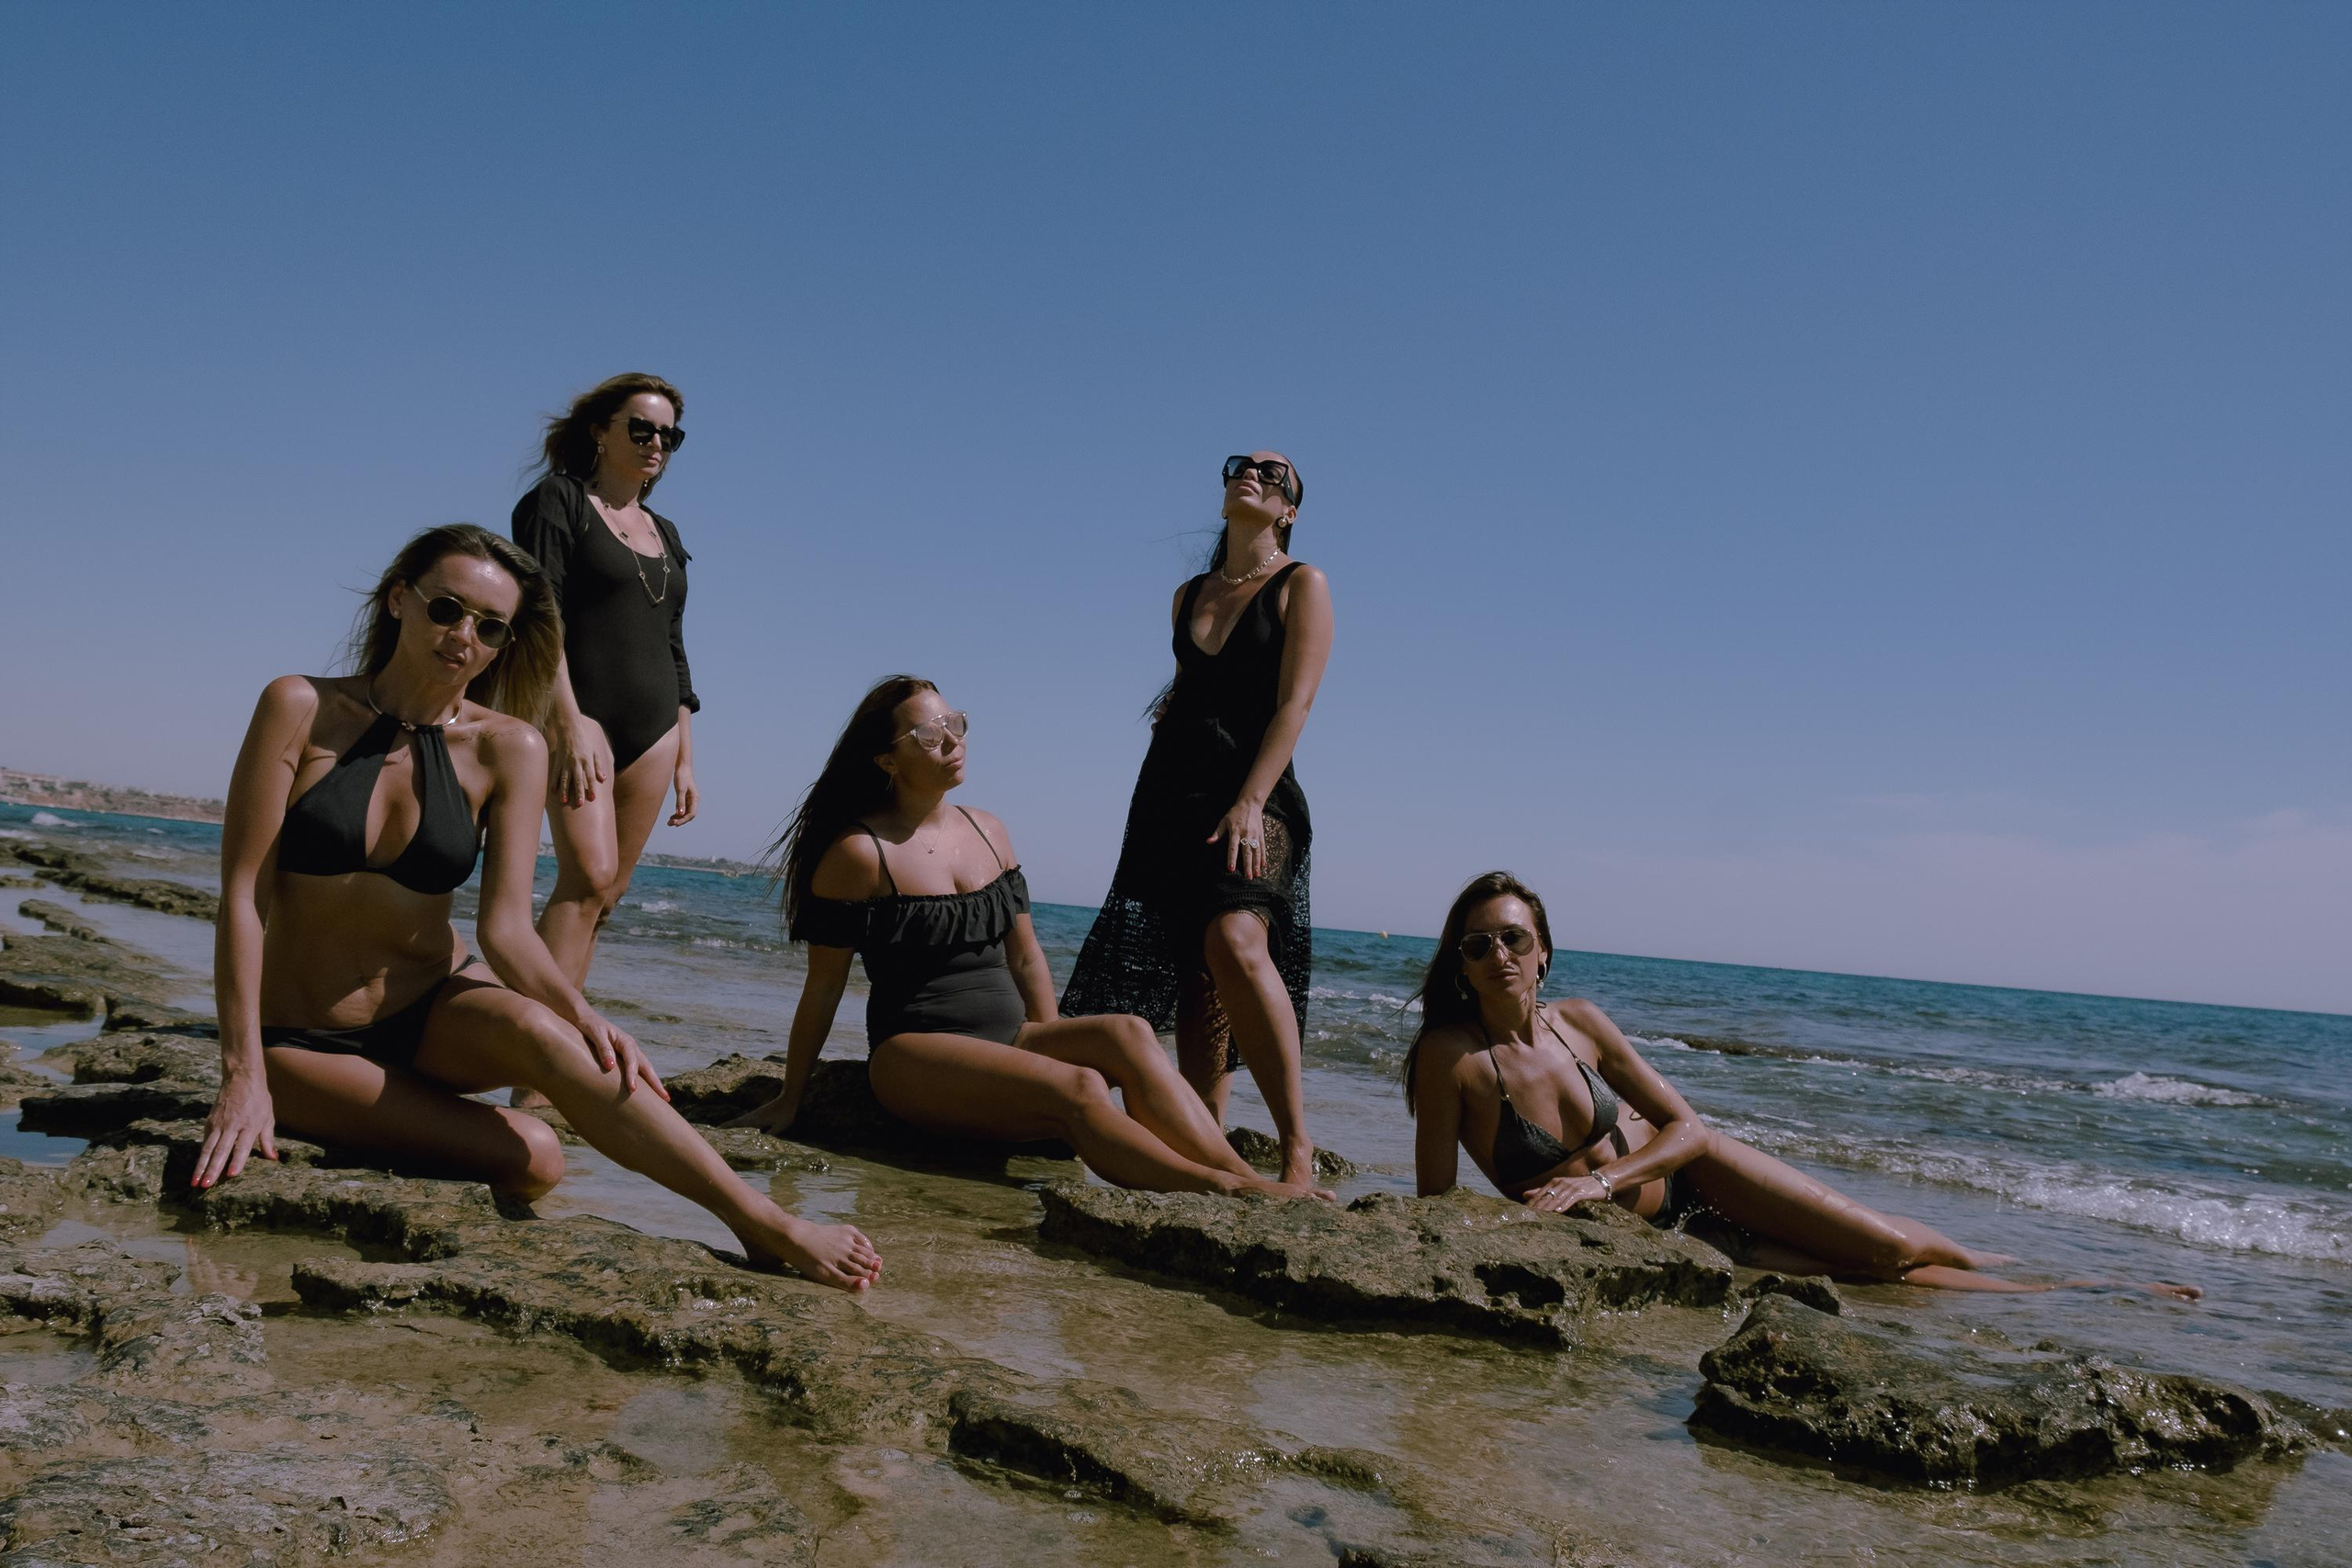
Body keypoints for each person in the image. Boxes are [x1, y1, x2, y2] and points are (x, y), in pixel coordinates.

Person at [193, 525, 882, 1292]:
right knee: (536, 1159)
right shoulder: (299, 705)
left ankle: (760, 1221)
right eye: (447, 609)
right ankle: (383, 1108)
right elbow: (244, 895)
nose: (465, 637)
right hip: (306, 1039)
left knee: (554, 1035)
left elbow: (506, 929)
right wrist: (241, 1071)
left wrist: (583, 1017)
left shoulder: (511, 747)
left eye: (491, 627)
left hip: (431, 1008)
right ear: (398, 599)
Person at [1403, 872, 2199, 1297]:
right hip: (1670, 1234)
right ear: (1461, 963)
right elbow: (1434, 1200)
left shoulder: (1581, 1021)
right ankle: (2058, 1288)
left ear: (1544, 950)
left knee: (1884, 1244)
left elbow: (1690, 1129)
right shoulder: (1451, 1056)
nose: (1498, 954)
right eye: (1478, 944)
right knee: (1863, 1271)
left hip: (1695, 1174)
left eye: (1515, 938)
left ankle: (2018, 1262)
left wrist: (1600, 1182)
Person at [727, 676, 1329, 1201]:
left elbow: (1026, 958)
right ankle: (1227, 1190)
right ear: (887, 760)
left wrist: (1046, 1050)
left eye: (955, 723)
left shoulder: (988, 830)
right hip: (914, 1055)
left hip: (1013, 1039)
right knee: (1080, 1087)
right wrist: (791, 1096)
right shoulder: (861, 854)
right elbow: (824, 986)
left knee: (1128, 1031)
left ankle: (1242, 1175)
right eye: (929, 734)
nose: (952, 740)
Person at [1060, 451, 1332, 1188]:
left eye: (1274, 475)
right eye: (1242, 466)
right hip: (1171, 795)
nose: (1254, 475)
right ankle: (1207, 1143)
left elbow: (1295, 704)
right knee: (1195, 967)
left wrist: (1250, 799)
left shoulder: (1302, 583)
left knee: (1236, 938)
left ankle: (1296, 1144)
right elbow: (1188, 691)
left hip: (1259, 794)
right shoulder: (1187, 595)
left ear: (1289, 511)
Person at [510, 372, 700, 993]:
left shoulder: (665, 532)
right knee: (586, 879)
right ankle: (525, 1038)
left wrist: (685, 756)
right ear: (599, 431)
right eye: (641, 429)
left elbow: (673, 643)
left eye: (669, 435)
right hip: (579, 712)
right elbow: (541, 618)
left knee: (608, 895)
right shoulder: (558, 501)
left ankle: (558, 1039)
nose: (656, 443)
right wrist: (565, 720)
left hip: (656, 730)